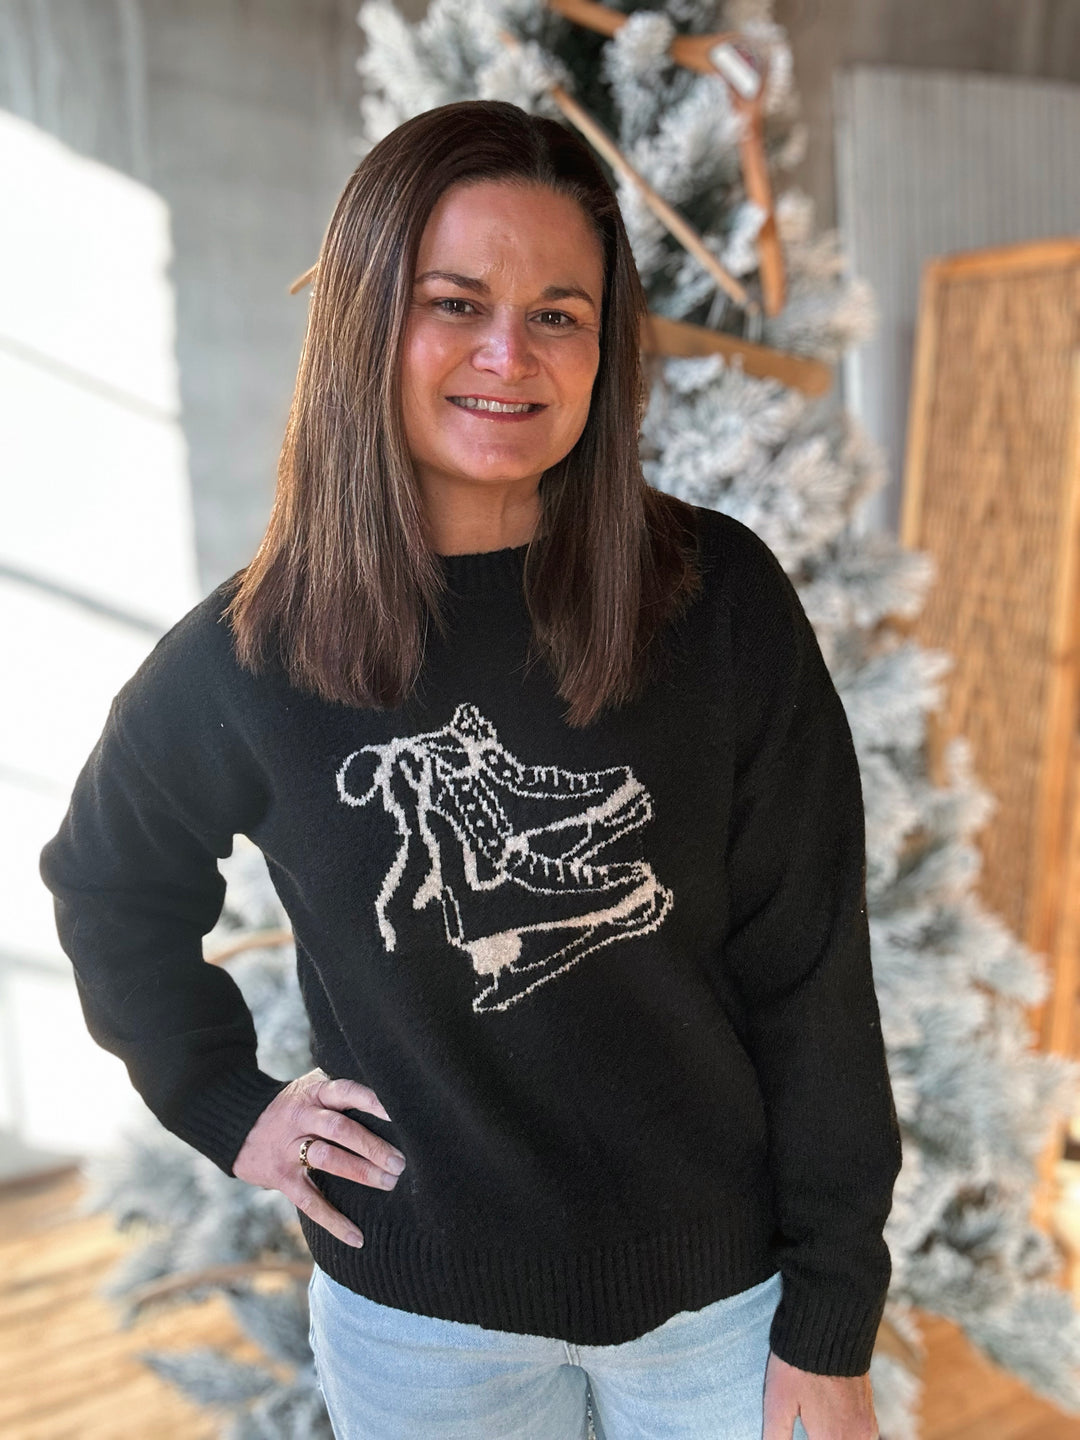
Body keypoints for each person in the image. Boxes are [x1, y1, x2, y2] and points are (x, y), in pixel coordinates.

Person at [39, 98, 902, 1440]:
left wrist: (834, 1313)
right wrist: (225, 1101)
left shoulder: (715, 596)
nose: (510, 355)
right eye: (456, 302)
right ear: (371, 322)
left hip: (724, 1313)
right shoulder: (254, 650)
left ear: (603, 346)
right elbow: (107, 880)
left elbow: (812, 969)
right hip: (421, 1331)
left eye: (559, 312)